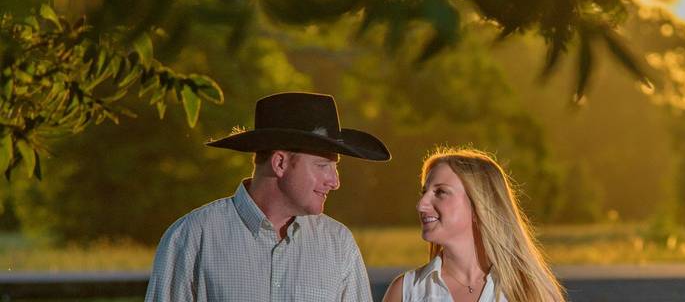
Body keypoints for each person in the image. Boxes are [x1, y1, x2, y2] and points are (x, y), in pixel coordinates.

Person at [145, 91, 390, 302]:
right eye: (323, 166)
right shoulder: (193, 238)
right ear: (280, 163)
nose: (335, 182)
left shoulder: (338, 245)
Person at [382, 148, 565, 302]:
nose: (421, 204)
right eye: (424, 192)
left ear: (479, 205)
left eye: (440, 192)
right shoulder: (406, 291)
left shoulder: (531, 291)